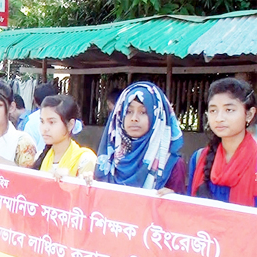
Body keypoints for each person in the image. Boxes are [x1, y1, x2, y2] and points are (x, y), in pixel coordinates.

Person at [93, 81, 186, 194]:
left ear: (157, 117)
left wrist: (172, 199)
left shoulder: (171, 164)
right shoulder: (109, 156)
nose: (134, 118)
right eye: (128, 111)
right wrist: (88, 185)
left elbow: (180, 209)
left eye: (143, 112)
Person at [189, 77, 257, 206]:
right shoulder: (199, 159)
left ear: (249, 114)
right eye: (213, 110)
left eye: (229, 110)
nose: (219, 118)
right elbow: (190, 209)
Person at [32, 95, 96, 178]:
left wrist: (70, 181)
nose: (45, 128)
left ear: (70, 125)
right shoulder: (40, 156)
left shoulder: (84, 159)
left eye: (52, 122)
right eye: (42, 121)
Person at [20, 82, 58, 154]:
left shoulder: (29, 121)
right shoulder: (68, 118)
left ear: (35, 101)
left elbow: (26, 151)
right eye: (42, 121)